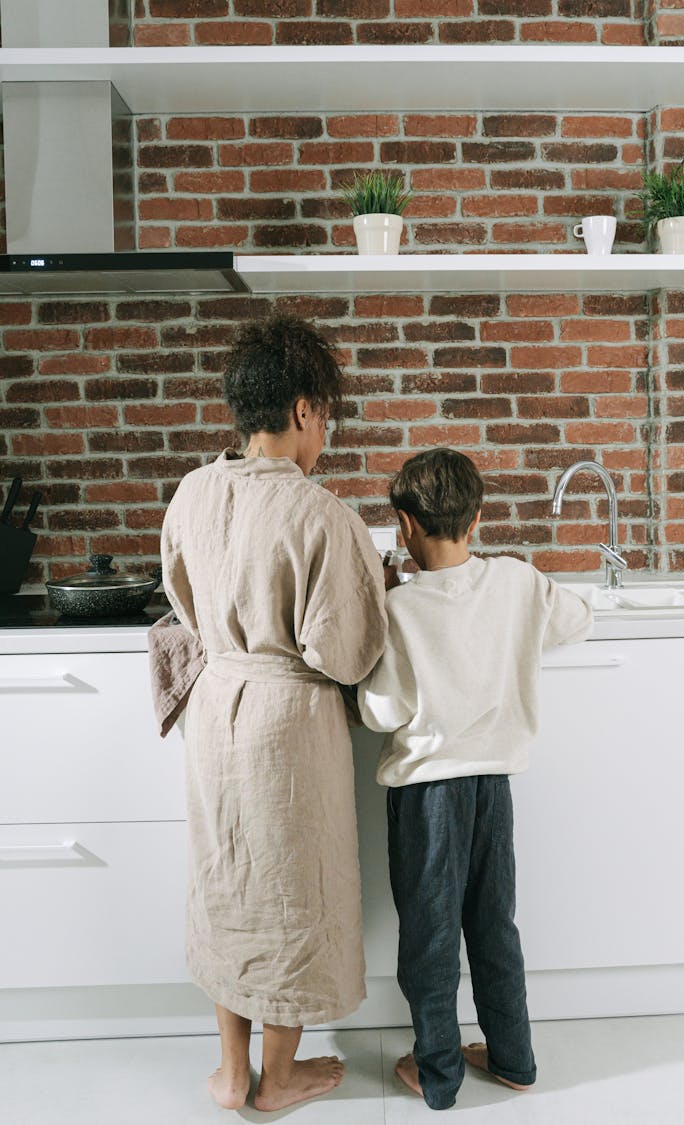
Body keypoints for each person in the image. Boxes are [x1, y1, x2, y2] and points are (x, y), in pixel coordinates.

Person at [160, 316, 388, 1113]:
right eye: (325, 415)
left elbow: (184, 597)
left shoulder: (193, 490)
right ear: (300, 410)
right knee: (292, 891)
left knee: (228, 879)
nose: (324, 433)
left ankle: (229, 1072)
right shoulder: (321, 514)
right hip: (287, 722)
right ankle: (280, 1076)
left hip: (216, 706)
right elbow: (350, 650)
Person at [357, 447, 593, 1111]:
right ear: (478, 517)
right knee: (495, 924)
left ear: (403, 524)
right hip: (494, 789)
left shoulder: (399, 610)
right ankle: (514, 1056)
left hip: (428, 792)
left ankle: (437, 1071)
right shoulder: (516, 583)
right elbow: (579, 617)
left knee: (431, 936)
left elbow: (382, 708)